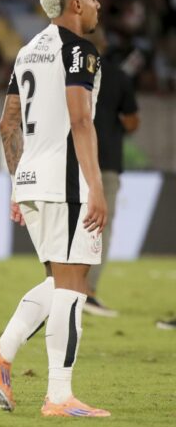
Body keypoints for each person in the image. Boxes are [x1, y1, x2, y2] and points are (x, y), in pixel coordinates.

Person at [0, 0, 111, 417]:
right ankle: (59, 396)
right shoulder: (79, 51)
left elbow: (7, 123)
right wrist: (95, 186)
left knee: (60, 282)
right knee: (74, 289)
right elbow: (81, 121)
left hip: (35, 180)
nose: (97, 5)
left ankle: (0, 354)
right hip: (66, 183)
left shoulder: (28, 50)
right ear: (74, 4)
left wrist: (18, 183)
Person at [83, 31, 140, 318]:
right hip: (104, 163)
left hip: (70, 161)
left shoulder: (63, 71)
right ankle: (88, 292)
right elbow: (132, 121)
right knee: (100, 226)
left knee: (67, 225)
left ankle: (61, 289)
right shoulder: (118, 76)